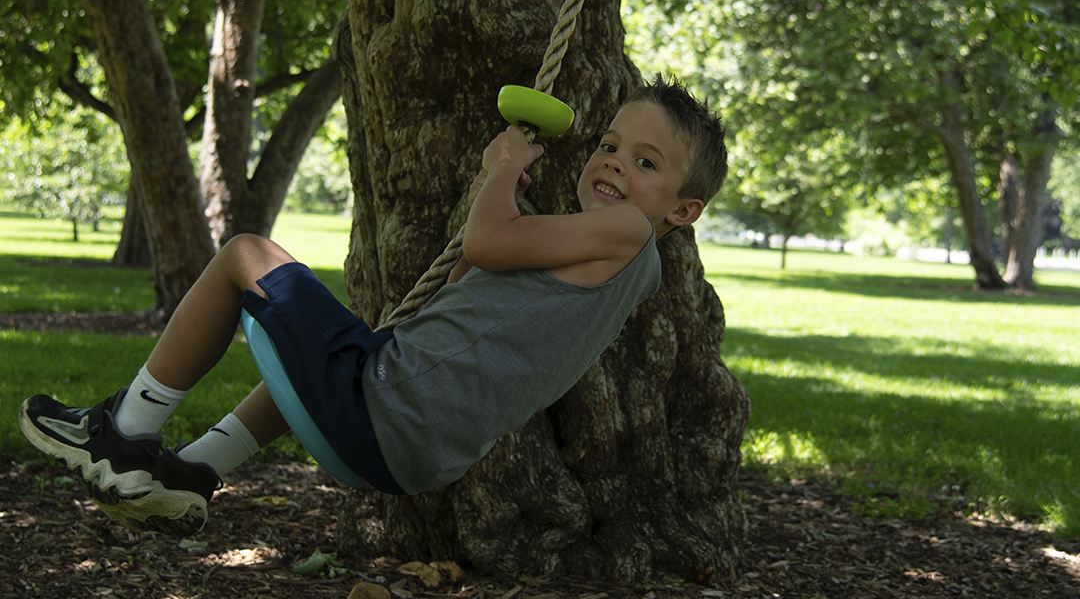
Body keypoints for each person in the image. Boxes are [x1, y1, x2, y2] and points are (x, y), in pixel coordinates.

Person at [20, 75, 727, 537]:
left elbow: (484, 240)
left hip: (387, 405)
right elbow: (470, 278)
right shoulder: (619, 266)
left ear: (684, 210)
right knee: (318, 360)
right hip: (412, 450)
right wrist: (493, 199)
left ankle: (126, 431)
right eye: (608, 144)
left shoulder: (629, 231)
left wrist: (503, 167)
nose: (614, 161)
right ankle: (192, 472)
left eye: (645, 162)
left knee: (245, 254)